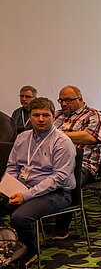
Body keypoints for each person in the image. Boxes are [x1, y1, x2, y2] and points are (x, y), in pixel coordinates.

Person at [0, 97, 76, 258]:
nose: (41, 119)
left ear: (53, 117)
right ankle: (5, 245)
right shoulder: (22, 137)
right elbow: (13, 167)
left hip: (56, 192)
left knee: (20, 218)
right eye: (36, 115)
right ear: (30, 117)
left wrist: (26, 195)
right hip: (23, 187)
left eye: (46, 115)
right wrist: (6, 188)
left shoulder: (62, 142)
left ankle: (28, 255)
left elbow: (59, 178)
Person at [54, 85, 101, 185]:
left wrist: (57, 135)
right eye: (61, 101)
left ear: (80, 100)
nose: (64, 104)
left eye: (68, 100)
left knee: (58, 180)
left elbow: (90, 137)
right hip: (53, 162)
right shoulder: (56, 115)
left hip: (81, 166)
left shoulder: (93, 115)